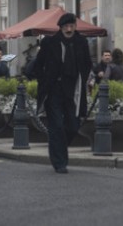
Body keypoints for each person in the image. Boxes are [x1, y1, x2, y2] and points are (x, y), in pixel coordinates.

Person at [33, 12, 93, 174]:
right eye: (65, 26)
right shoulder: (50, 42)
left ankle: (58, 148)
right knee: (57, 126)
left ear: (75, 26)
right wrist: (43, 80)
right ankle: (60, 162)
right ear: (60, 27)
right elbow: (38, 65)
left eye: (71, 26)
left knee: (73, 126)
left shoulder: (81, 42)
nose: (68, 29)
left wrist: (84, 79)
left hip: (73, 90)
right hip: (54, 89)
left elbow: (87, 64)